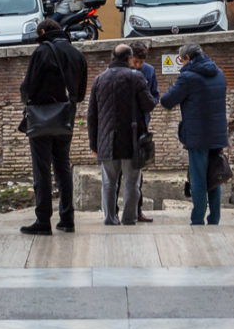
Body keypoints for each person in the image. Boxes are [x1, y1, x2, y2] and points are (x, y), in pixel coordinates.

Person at [19, 17, 87, 235]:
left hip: (41, 118)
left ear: (41, 33)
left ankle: (43, 221)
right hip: (65, 118)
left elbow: (28, 87)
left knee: (42, 170)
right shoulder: (77, 55)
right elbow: (81, 93)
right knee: (63, 167)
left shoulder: (42, 52)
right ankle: (67, 220)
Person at [87, 43, 156, 225]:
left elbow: (92, 115)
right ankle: (129, 218)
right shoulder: (136, 77)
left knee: (109, 183)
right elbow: (149, 105)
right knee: (131, 183)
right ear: (129, 58)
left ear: (112, 57)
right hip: (132, 140)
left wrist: (93, 144)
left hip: (106, 140)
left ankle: (110, 218)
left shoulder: (99, 80)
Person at [160, 42, 228, 226]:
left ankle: (197, 219)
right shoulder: (219, 73)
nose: (181, 64)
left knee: (198, 179)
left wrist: (176, 83)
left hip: (198, 136)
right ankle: (214, 218)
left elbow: (166, 101)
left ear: (187, 58)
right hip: (217, 134)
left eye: (181, 61)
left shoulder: (188, 77)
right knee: (215, 176)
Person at [129, 42, 159, 222]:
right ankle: (115, 211)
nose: (138, 66)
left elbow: (155, 95)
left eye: (141, 62)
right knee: (119, 174)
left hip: (142, 127)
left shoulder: (149, 71)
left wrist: (149, 105)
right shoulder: (123, 71)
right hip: (124, 126)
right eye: (135, 62)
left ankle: (137, 211)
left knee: (139, 171)